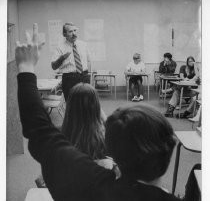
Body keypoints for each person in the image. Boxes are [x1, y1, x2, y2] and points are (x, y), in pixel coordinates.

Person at [16, 23, 182, 201]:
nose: (74, 33)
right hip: (69, 76)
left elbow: (39, 131)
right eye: (70, 31)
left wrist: (26, 68)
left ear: (112, 146)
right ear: (169, 149)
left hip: (83, 75)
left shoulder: (88, 182)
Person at [62, 82, 106, 160]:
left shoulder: (61, 139)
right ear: (96, 108)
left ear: (70, 107)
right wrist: (105, 119)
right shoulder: (103, 139)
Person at [51, 22, 91, 101]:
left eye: (75, 30)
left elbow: (88, 61)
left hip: (84, 77)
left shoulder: (83, 44)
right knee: (71, 104)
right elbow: (54, 66)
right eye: (70, 31)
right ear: (64, 34)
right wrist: (62, 58)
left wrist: (88, 76)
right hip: (69, 79)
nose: (74, 33)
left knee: (86, 103)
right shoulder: (60, 47)